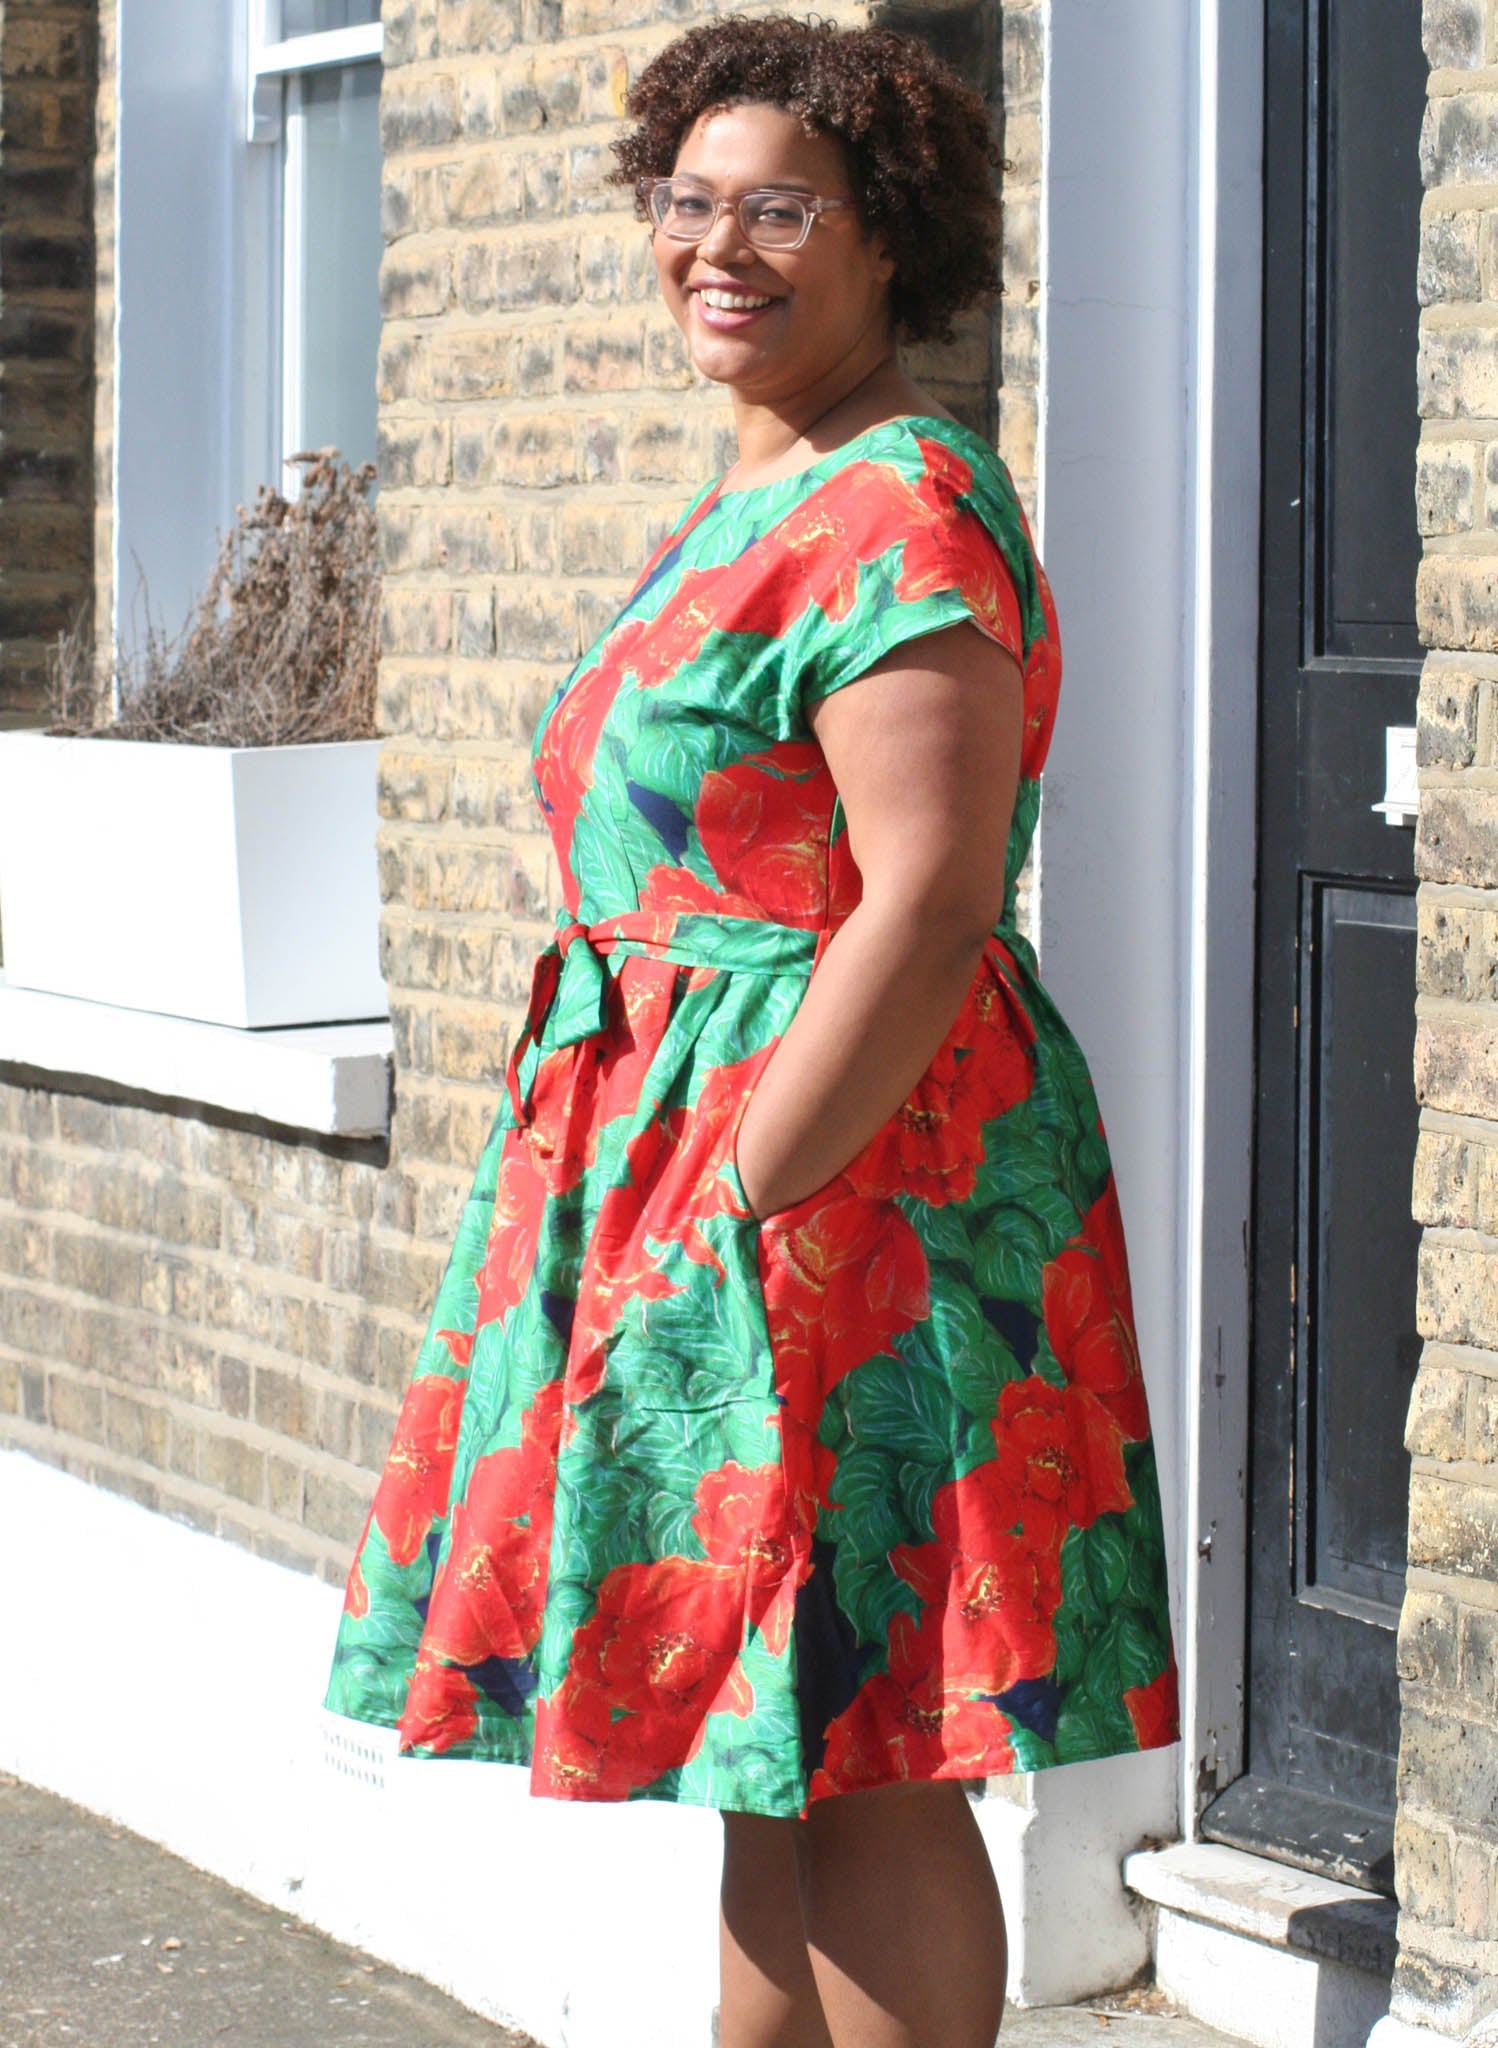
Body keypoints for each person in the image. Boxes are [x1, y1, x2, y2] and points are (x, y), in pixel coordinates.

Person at [325, 16, 1180, 2047]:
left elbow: (928, 893)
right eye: (688, 203)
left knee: (866, 1743)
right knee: (763, 1747)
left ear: (888, 239)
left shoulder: (901, 511)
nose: (718, 245)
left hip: (838, 1196)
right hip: (719, 1180)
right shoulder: (777, 481)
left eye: (778, 208)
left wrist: (742, 1191)